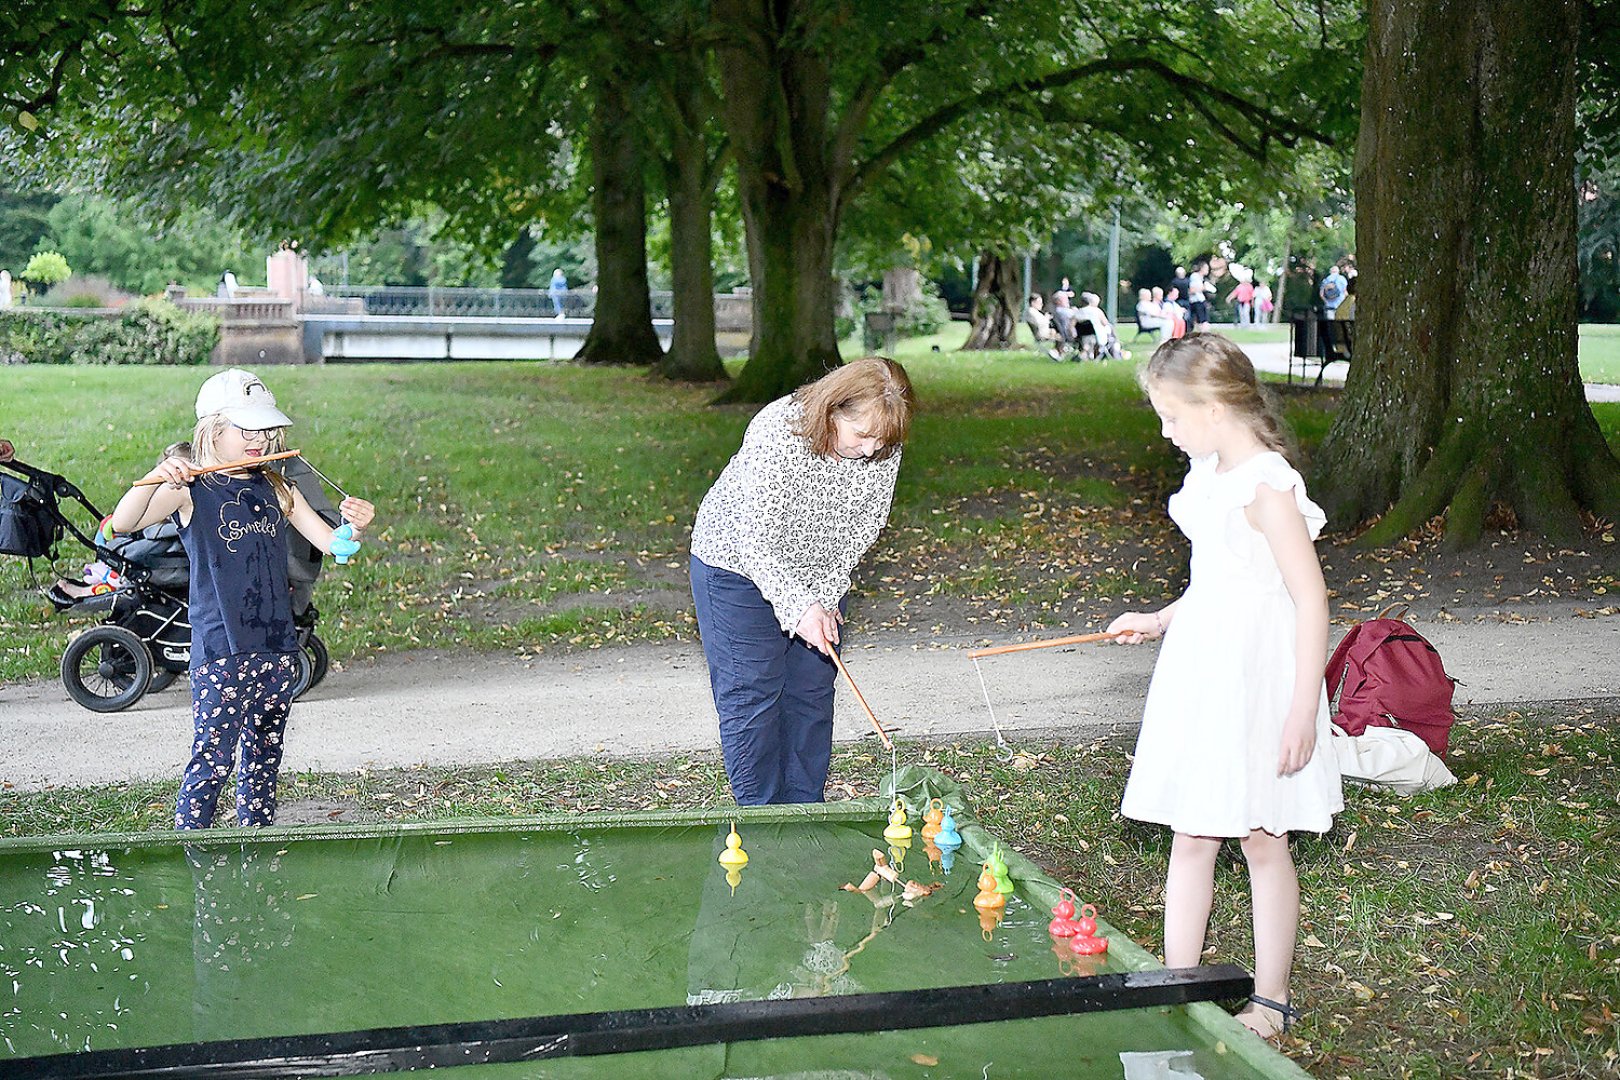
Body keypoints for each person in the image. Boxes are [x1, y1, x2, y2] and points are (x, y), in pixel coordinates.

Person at [1106, 333, 1342, 1040]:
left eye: (1171, 416)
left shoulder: (1267, 486)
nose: (1165, 430)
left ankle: (1270, 998)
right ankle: (1179, 988)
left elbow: (1309, 600)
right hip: (1204, 673)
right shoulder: (1208, 473)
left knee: (1264, 837)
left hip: (1261, 680)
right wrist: (1158, 617)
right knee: (1193, 831)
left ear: (1212, 408)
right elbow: (1218, 582)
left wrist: (1303, 710)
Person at [109, 369, 375, 830]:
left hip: (277, 645)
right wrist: (155, 478)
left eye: (267, 429)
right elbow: (125, 523)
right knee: (212, 758)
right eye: (246, 428)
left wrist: (356, 525)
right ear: (212, 429)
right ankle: (194, 844)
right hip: (221, 648)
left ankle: (256, 841)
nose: (260, 438)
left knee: (264, 757)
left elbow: (335, 544)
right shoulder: (188, 489)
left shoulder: (277, 486)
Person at [689, 357, 916, 806]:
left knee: (811, 693)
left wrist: (826, 597)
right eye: (863, 436)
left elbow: (864, 528)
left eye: (882, 440)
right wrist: (799, 607)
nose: (872, 450)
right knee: (753, 694)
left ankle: (804, 811)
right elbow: (757, 539)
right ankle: (763, 822)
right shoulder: (779, 429)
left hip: (819, 578)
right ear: (833, 410)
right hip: (737, 568)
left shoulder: (883, 443)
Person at [1072, 291, 1123, 359]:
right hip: (1097, 336)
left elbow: (1071, 325)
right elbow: (1105, 323)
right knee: (1111, 335)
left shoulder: (1077, 313)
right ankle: (1115, 352)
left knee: (1087, 343)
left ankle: (1084, 354)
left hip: (1082, 337)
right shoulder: (1097, 311)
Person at [1025, 293, 1063, 361]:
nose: (1041, 305)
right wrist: (1047, 318)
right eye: (1039, 303)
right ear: (1033, 303)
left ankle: (1057, 353)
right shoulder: (1032, 312)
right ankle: (1056, 353)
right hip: (1042, 334)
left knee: (1059, 333)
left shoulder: (1035, 312)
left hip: (1045, 331)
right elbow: (1040, 323)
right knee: (1061, 337)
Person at [1187, 260, 1214, 331]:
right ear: (1202, 268)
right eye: (1206, 269)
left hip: (1200, 300)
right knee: (1202, 321)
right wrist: (1205, 288)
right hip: (1197, 301)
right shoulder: (1195, 276)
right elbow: (1192, 290)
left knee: (1202, 320)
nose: (1208, 270)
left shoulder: (1201, 278)